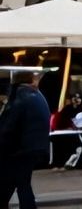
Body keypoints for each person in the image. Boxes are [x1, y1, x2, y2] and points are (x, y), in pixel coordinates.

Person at [0, 71, 50, 209]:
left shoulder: (19, 98)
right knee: (20, 180)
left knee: (18, 181)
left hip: (21, 149)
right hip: (36, 146)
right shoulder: (38, 97)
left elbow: (9, 126)